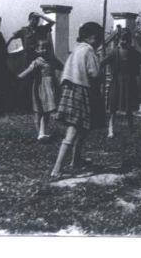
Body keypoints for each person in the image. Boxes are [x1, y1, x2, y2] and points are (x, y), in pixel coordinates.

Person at [50, 22, 104, 181]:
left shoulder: (77, 49)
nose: (100, 41)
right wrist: (100, 63)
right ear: (93, 38)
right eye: (99, 38)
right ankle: (57, 168)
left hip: (69, 89)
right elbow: (94, 74)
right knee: (74, 130)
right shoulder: (89, 51)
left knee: (82, 128)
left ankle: (76, 160)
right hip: (81, 91)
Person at [101, 27, 141, 139]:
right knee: (113, 107)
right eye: (122, 39)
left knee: (129, 108)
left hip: (129, 82)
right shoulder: (114, 52)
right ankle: (111, 129)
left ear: (130, 40)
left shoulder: (133, 52)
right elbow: (102, 63)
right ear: (119, 39)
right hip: (116, 81)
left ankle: (131, 129)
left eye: (126, 39)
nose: (124, 41)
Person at [17, 39, 62, 142]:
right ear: (37, 50)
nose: (45, 50)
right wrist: (17, 78)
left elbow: (63, 66)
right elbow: (28, 71)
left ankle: (42, 132)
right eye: (42, 48)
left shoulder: (53, 60)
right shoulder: (38, 61)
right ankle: (39, 133)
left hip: (51, 87)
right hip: (40, 87)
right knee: (38, 111)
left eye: (47, 48)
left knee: (46, 112)